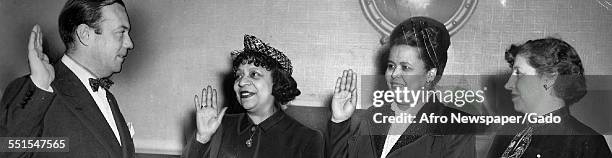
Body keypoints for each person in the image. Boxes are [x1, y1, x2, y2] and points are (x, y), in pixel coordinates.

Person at [0, 0, 135, 157]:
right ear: (85, 34)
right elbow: (7, 151)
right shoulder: (38, 90)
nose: (130, 43)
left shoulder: (107, 97)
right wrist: (39, 85)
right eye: (121, 33)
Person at [326, 16, 476, 158]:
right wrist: (339, 121)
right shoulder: (373, 117)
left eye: (405, 67)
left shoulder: (455, 128)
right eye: (391, 66)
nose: (394, 74)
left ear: (430, 74)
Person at [182, 35, 324, 158]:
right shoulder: (218, 125)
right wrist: (202, 138)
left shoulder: (306, 139)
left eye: (254, 74)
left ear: (276, 82)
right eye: (238, 75)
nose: (242, 82)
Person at [487, 38, 612, 158]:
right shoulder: (506, 134)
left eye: (519, 74)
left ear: (549, 78)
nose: (508, 85)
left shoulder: (586, 142)